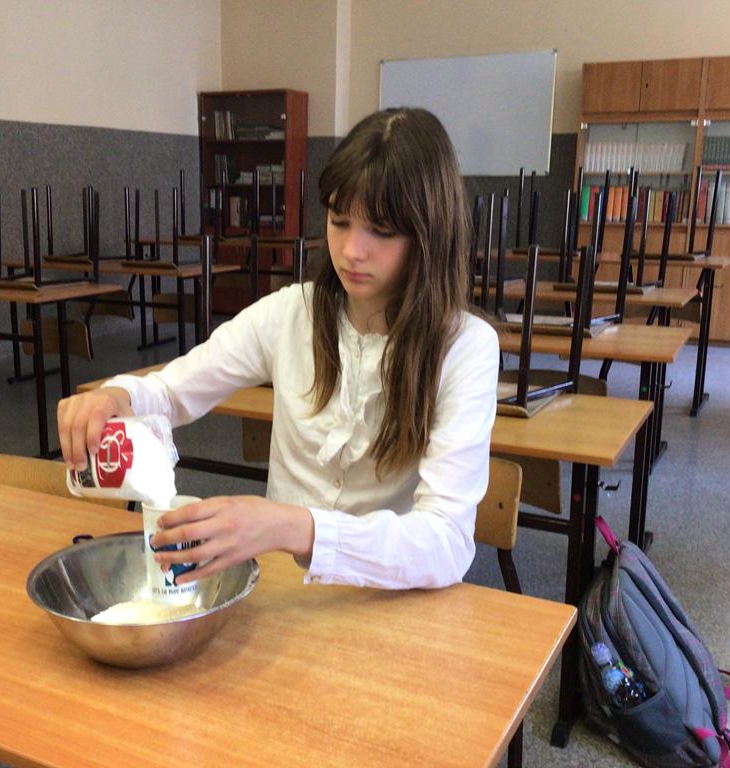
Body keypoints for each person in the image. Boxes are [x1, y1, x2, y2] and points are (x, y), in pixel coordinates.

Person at [57, 108, 499, 590]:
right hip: (283, 596)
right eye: (339, 221)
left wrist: (289, 526)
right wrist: (117, 397)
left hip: (392, 601)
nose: (352, 251)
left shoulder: (465, 347)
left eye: (382, 230)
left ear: (429, 235)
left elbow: (445, 542)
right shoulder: (292, 313)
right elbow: (171, 391)